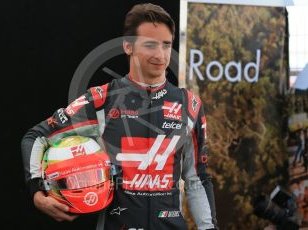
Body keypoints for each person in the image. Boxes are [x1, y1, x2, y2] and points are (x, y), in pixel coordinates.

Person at [21, 3, 218, 230]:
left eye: (166, 45)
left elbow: (196, 180)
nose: (160, 54)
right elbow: (36, 137)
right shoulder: (101, 100)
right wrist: (37, 192)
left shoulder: (189, 104)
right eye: (150, 44)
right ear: (128, 46)